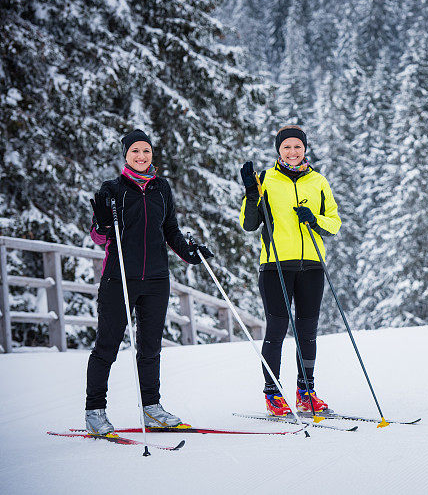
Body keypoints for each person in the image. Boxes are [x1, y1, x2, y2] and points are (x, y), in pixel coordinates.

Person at [86, 129, 212, 435]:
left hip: (156, 279)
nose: (141, 157)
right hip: (120, 279)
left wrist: (190, 253)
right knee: (107, 346)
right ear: (126, 155)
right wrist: (102, 222)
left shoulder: (161, 188)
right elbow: (98, 237)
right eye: (135, 152)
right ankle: (94, 412)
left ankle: (152, 409)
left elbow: (170, 229)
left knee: (150, 348)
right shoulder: (112, 189)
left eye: (146, 151)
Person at [239, 125, 341, 416]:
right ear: (278, 150)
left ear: (305, 149)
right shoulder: (265, 180)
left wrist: (315, 219)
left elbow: (334, 223)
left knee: (307, 332)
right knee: (277, 330)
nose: (292, 152)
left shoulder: (318, 181)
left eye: (297, 146)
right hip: (275, 266)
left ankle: (306, 392)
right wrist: (251, 192)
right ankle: (272, 394)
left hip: (311, 265)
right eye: (286, 147)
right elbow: (248, 223)